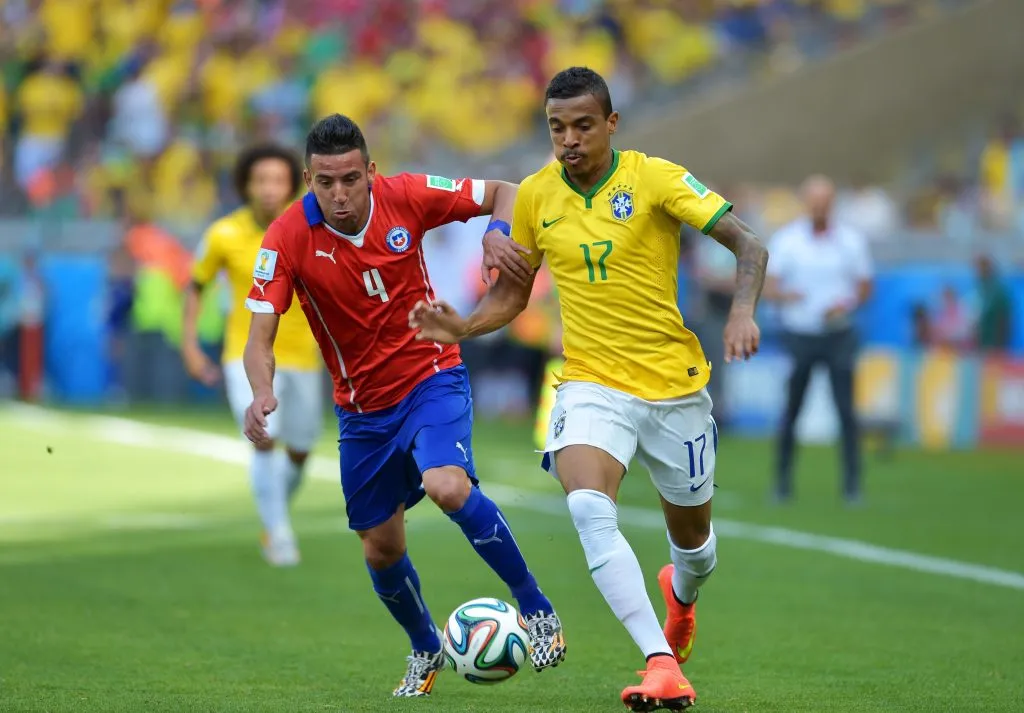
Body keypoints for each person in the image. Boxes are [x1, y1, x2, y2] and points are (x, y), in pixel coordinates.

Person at [409, 67, 768, 711]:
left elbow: (748, 246)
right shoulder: (536, 196)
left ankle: (681, 600)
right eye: (556, 127)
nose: (568, 139)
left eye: (581, 125)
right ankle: (659, 661)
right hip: (590, 383)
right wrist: (463, 326)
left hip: (673, 388)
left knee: (695, 547)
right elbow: (513, 295)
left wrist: (742, 312)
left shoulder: (654, 177)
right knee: (586, 506)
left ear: (611, 124)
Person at [241, 114, 566, 697]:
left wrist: (496, 229)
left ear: (370, 171)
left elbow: (505, 191)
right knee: (381, 545)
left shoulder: (406, 195)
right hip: (362, 412)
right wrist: (261, 391)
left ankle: (537, 608)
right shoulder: (286, 237)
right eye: (324, 182)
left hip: (430, 375)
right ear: (309, 180)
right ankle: (424, 648)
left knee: (447, 485)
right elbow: (257, 338)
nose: (338, 195)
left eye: (348, 179)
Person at [183, 144, 323, 567]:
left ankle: (272, 513)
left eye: (277, 180)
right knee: (264, 439)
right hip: (246, 354)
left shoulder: (310, 229)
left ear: (293, 184)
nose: (268, 189)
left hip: (303, 357)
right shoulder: (223, 234)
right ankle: (279, 535)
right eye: (260, 180)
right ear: (245, 184)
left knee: (300, 451)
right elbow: (196, 285)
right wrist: (190, 345)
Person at [764, 175, 873, 505]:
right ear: (805, 203)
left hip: (838, 332)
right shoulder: (788, 240)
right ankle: (782, 483)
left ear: (833, 204)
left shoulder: (850, 241)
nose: (819, 208)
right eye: (814, 202)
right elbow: (769, 286)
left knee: (846, 411)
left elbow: (865, 285)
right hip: (800, 334)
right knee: (792, 409)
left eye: (825, 202)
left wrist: (847, 303)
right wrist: (786, 295)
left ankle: (852, 485)